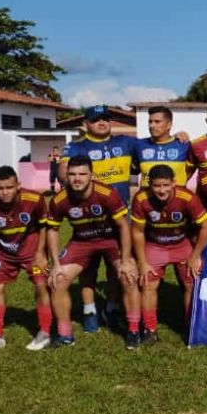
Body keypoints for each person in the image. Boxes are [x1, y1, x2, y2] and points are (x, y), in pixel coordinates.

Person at [58, 104, 135, 332]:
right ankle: (89, 310)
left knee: (116, 268)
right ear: (86, 124)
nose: (102, 123)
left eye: (105, 119)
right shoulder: (76, 147)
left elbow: (154, 144)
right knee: (88, 269)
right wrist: (68, 180)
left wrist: (182, 135)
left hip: (119, 218)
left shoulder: (125, 143)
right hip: (88, 218)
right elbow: (64, 170)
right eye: (96, 120)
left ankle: (111, 308)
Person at [46, 156, 136, 347]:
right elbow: (52, 230)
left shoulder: (107, 193)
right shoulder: (59, 200)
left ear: (91, 176)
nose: (77, 179)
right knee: (57, 281)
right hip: (81, 242)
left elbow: (123, 226)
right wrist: (55, 264)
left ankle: (132, 330)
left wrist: (127, 260)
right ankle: (65, 334)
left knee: (128, 277)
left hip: (111, 240)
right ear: (66, 176)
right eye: (72, 174)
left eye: (82, 174)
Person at [130, 165, 207, 349]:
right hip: (155, 245)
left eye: (166, 185)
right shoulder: (141, 199)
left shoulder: (188, 197)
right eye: (157, 186)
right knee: (148, 284)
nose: (161, 190)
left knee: (190, 283)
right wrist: (142, 262)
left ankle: (190, 326)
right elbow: (137, 232)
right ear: (149, 184)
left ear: (174, 183)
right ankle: (149, 329)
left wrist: (194, 255)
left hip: (181, 245)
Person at [0, 166, 52, 353]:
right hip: (3, 252)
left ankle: (45, 332)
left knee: (41, 285)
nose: (4, 192)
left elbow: (44, 226)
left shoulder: (35, 199)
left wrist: (41, 253)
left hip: (32, 251)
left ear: (18, 185)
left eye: (9, 187)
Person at [134, 106, 190, 186]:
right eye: (150, 122)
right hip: (147, 197)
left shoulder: (184, 145)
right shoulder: (139, 145)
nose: (152, 126)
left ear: (169, 125)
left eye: (157, 122)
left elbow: (191, 170)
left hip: (176, 197)